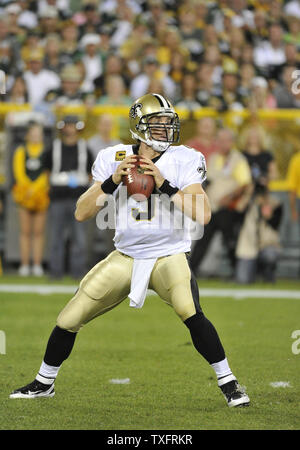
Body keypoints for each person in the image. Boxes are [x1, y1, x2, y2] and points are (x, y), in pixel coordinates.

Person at [10, 93, 250, 408]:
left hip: (169, 254)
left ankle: (229, 382)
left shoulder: (184, 158)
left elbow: (203, 214)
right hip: (126, 255)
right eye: (158, 123)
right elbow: (82, 212)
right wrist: (111, 182)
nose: (166, 129)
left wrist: (164, 184)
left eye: (168, 123)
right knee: (70, 315)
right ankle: (43, 383)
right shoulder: (114, 156)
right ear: (139, 126)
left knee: (188, 309)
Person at [190, 128, 253, 276]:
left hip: (229, 208)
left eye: (225, 140)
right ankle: (192, 269)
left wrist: (229, 198)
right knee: (204, 239)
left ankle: (237, 270)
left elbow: (244, 184)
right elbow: (208, 180)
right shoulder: (213, 158)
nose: (222, 144)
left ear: (231, 142)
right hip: (213, 207)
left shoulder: (238, 159)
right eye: (220, 140)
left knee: (230, 240)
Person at [42, 115, 94, 279]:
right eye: (68, 126)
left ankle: (78, 273)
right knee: (56, 237)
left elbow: (90, 173)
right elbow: (47, 170)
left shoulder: (84, 148)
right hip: (57, 198)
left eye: (73, 126)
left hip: (78, 198)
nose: (70, 129)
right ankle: (55, 273)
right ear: (62, 128)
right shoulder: (54, 147)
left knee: (79, 238)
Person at [12, 122, 49, 277]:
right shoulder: (21, 151)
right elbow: (19, 172)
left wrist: (36, 189)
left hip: (41, 195)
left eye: (38, 134)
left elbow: (46, 173)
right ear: (28, 135)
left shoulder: (46, 151)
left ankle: (37, 264)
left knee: (38, 232)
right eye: (33, 133)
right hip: (24, 195)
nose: (35, 136)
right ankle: (25, 264)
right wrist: (28, 189)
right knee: (25, 232)